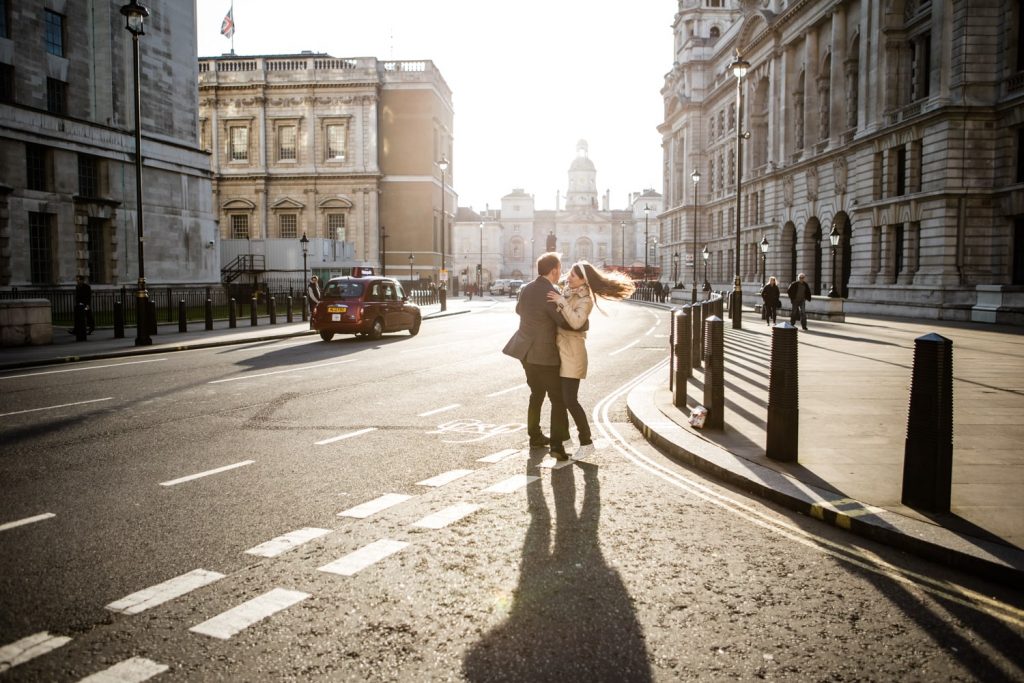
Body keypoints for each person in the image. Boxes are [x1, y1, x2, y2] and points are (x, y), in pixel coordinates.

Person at [547, 261, 635, 447]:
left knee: (570, 400)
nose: (568, 277)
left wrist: (561, 302)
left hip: (573, 355)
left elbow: (577, 322)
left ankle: (586, 443)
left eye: (572, 275)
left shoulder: (585, 300)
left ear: (583, 280)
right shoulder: (568, 292)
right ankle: (565, 439)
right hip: (561, 352)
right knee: (560, 400)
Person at [502, 252, 572, 459]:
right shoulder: (551, 292)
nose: (561, 272)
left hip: (525, 351)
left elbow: (518, 310)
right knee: (557, 399)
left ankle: (535, 437)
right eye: (560, 268)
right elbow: (563, 322)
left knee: (536, 395)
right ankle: (557, 447)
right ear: (554, 270)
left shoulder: (526, 288)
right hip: (545, 354)